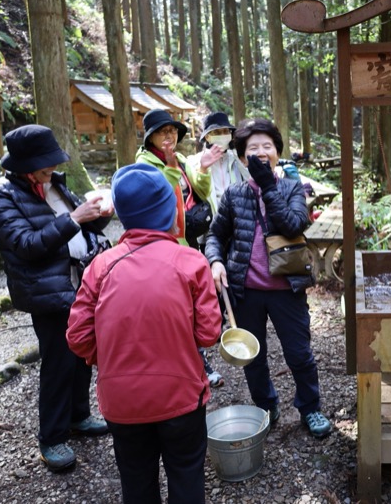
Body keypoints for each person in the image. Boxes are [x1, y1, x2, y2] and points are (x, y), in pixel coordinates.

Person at [67, 163, 222, 504]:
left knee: (136, 481)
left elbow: (77, 336)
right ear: (170, 211)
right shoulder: (190, 261)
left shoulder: (100, 266)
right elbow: (209, 333)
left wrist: (110, 357)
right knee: (186, 474)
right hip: (181, 396)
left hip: (121, 402)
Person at [0, 125, 112, 472]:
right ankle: (52, 438)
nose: (50, 170)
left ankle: (79, 417)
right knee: (57, 363)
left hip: (79, 284)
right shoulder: (1, 196)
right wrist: (73, 219)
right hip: (47, 292)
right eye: (44, 165)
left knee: (83, 355)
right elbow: (26, 246)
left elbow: (81, 227)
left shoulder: (53, 182)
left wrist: (100, 216)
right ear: (24, 166)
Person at [204, 118, 332, 439]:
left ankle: (310, 407)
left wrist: (270, 186)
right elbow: (215, 235)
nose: (261, 153)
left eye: (267, 147)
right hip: (245, 291)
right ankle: (266, 404)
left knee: (299, 353)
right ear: (243, 158)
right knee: (253, 356)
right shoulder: (234, 195)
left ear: (277, 152)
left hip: (286, 288)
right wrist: (215, 261)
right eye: (253, 149)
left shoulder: (293, 188)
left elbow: (292, 224)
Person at [137, 108, 225, 388]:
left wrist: (203, 168)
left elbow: (199, 190)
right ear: (151, 138)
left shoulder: (183, 159)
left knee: (191, 303)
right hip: (163, 245)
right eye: (163, 132)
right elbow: (158, 196)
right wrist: (173, 168)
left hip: (188, 241)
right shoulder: (144, 164)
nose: (169, 136)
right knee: (176, 307)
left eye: (173, 131)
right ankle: (191, 364)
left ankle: (195, 360)